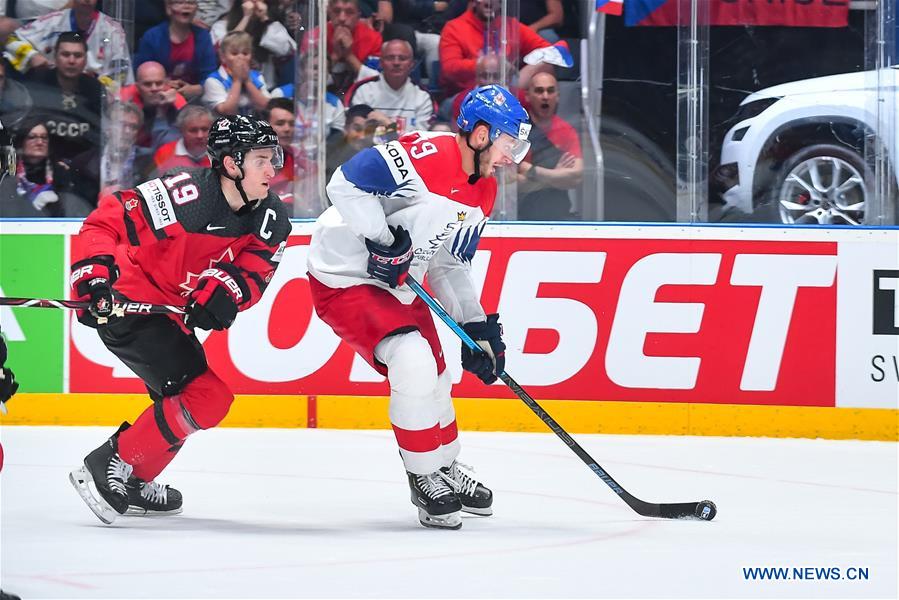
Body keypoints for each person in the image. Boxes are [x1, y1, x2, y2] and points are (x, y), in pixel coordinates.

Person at [307, 84, 531, 529]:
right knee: (412, 362)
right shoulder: (424, 153)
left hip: (400, 284)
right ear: (482, 135)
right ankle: (424, 474)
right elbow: (344, 183)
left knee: (437, 372)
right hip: (346, 276)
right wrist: (384, 240)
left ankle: (446, 465)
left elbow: (448, 265)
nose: (514, 157)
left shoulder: (483, 190)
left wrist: (477, 326)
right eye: (511, 143)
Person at [68, 115, 291, 525]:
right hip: (128, 300)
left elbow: (252, 275)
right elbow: (104, 221)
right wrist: (93, 276)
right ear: (231, 164)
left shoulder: (271, 218)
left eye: (272, 158)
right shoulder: (184, 194)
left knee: (181, 401)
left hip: (169, 315)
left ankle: (133, 477)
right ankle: (111, 463)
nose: (272, 169)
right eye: (262, 159)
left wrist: (226, 292)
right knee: (207, 397)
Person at [2, 0, 133, 86]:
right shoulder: (53, 21)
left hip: (93, 100)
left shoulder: (112, 31)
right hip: (52, 91)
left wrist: (99, 87)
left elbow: (121, 73)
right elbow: (13, 39)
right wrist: (32, 56)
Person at [517, 71, 582, 220]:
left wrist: (533, 172)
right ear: (527, 95)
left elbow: (576, 177)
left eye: (550, 91)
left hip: (558, 214)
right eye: (539, 91)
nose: (545, 96)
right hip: (521, 217)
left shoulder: (566, 130)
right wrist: (556, 178)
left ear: (557, 96)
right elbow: (513, 182)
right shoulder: (518, 129)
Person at [345, 39, 436, 134]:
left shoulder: (422, 97)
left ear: (411, 64)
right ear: (381, 62)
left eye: (402, 58)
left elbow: (419, 142)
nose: (396, 63)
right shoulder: (364, 91)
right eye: (390, 58)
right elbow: (357, 135)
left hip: (406, 149)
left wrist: (387, 124)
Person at [133, 0, 218, 101]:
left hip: (195, 99)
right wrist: (164, 83)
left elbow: (210, 74)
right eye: (180, 3)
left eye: (190, 3)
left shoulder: (203, 36)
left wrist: (198, 88)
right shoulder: (152, 37)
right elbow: (141, 73)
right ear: (168, 8)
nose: (186, 7)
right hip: (158, 96)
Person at [203, 30, 272, 116]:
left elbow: (267, 107)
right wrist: (237, 81)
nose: (241, 57)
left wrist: (247, 81)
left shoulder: (257, 76)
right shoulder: (214, 80)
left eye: (245, 53)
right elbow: (228, 112)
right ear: (223, 56)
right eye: (234, 53)